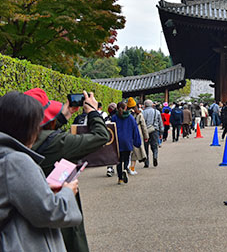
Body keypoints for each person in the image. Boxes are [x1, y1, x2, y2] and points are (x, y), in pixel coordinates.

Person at [27, 89, 109, 252]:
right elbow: (101, 136)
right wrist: (93, 112)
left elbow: (39, 133)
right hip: (59, 212)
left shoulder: (16, 141)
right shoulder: (58, 143)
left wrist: (62, 117)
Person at [0, 91, 83, 251]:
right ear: (27, 127)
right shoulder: (16, 161)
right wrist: (67, 192)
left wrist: (43, 188)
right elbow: (50, 212)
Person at [112, 101, 142, 184]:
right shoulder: (131, 117)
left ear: (117, 108)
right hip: (127, 141)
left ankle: (120, 178)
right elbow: (135, 130)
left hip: (117, 142)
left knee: (118, 161)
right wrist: (137, 142)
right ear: (126, 108)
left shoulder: (114, 117)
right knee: (126, 158)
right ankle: (125, 169)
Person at [129, 99, 148, 174]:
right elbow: (143, 126)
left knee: (128, 152)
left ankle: (126, 167)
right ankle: (132, 168)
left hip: (128, 133)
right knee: (135, 153)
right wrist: (146, 136)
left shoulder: (126, 114)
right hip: (137, 133)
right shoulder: (139, 114)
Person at [142, 99, 161, 167]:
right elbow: (160, 122)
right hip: (154, 130)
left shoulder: (142, 112)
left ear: (145, 105)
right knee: (154, 146)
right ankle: (155, 155)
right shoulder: (157, 112)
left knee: (145, 147)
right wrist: (161, 131)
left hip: (145, 131)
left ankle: (146, 162)